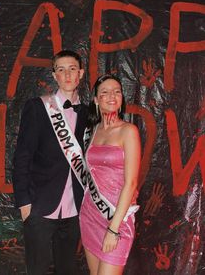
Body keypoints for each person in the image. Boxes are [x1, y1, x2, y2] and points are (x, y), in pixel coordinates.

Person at [12, 50, 87, 275]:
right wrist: (25, 204)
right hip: (40, 208)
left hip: (74, 210)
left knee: (68, 269)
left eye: (72, 69)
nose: (67, 74)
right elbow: (21, 157)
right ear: (54, 75)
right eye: (61, 69)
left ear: (80, 73)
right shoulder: (37, 107)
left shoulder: (89, 113)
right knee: (38, 270)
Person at [80, 74, 141, 275]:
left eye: (117, 91)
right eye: (104, 92)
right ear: (96, 100)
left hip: (117, 217)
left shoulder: (128, 131)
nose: (112, 96)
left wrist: (113, 229)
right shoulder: (91, 131)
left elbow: (131, 183)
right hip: (90, 214)